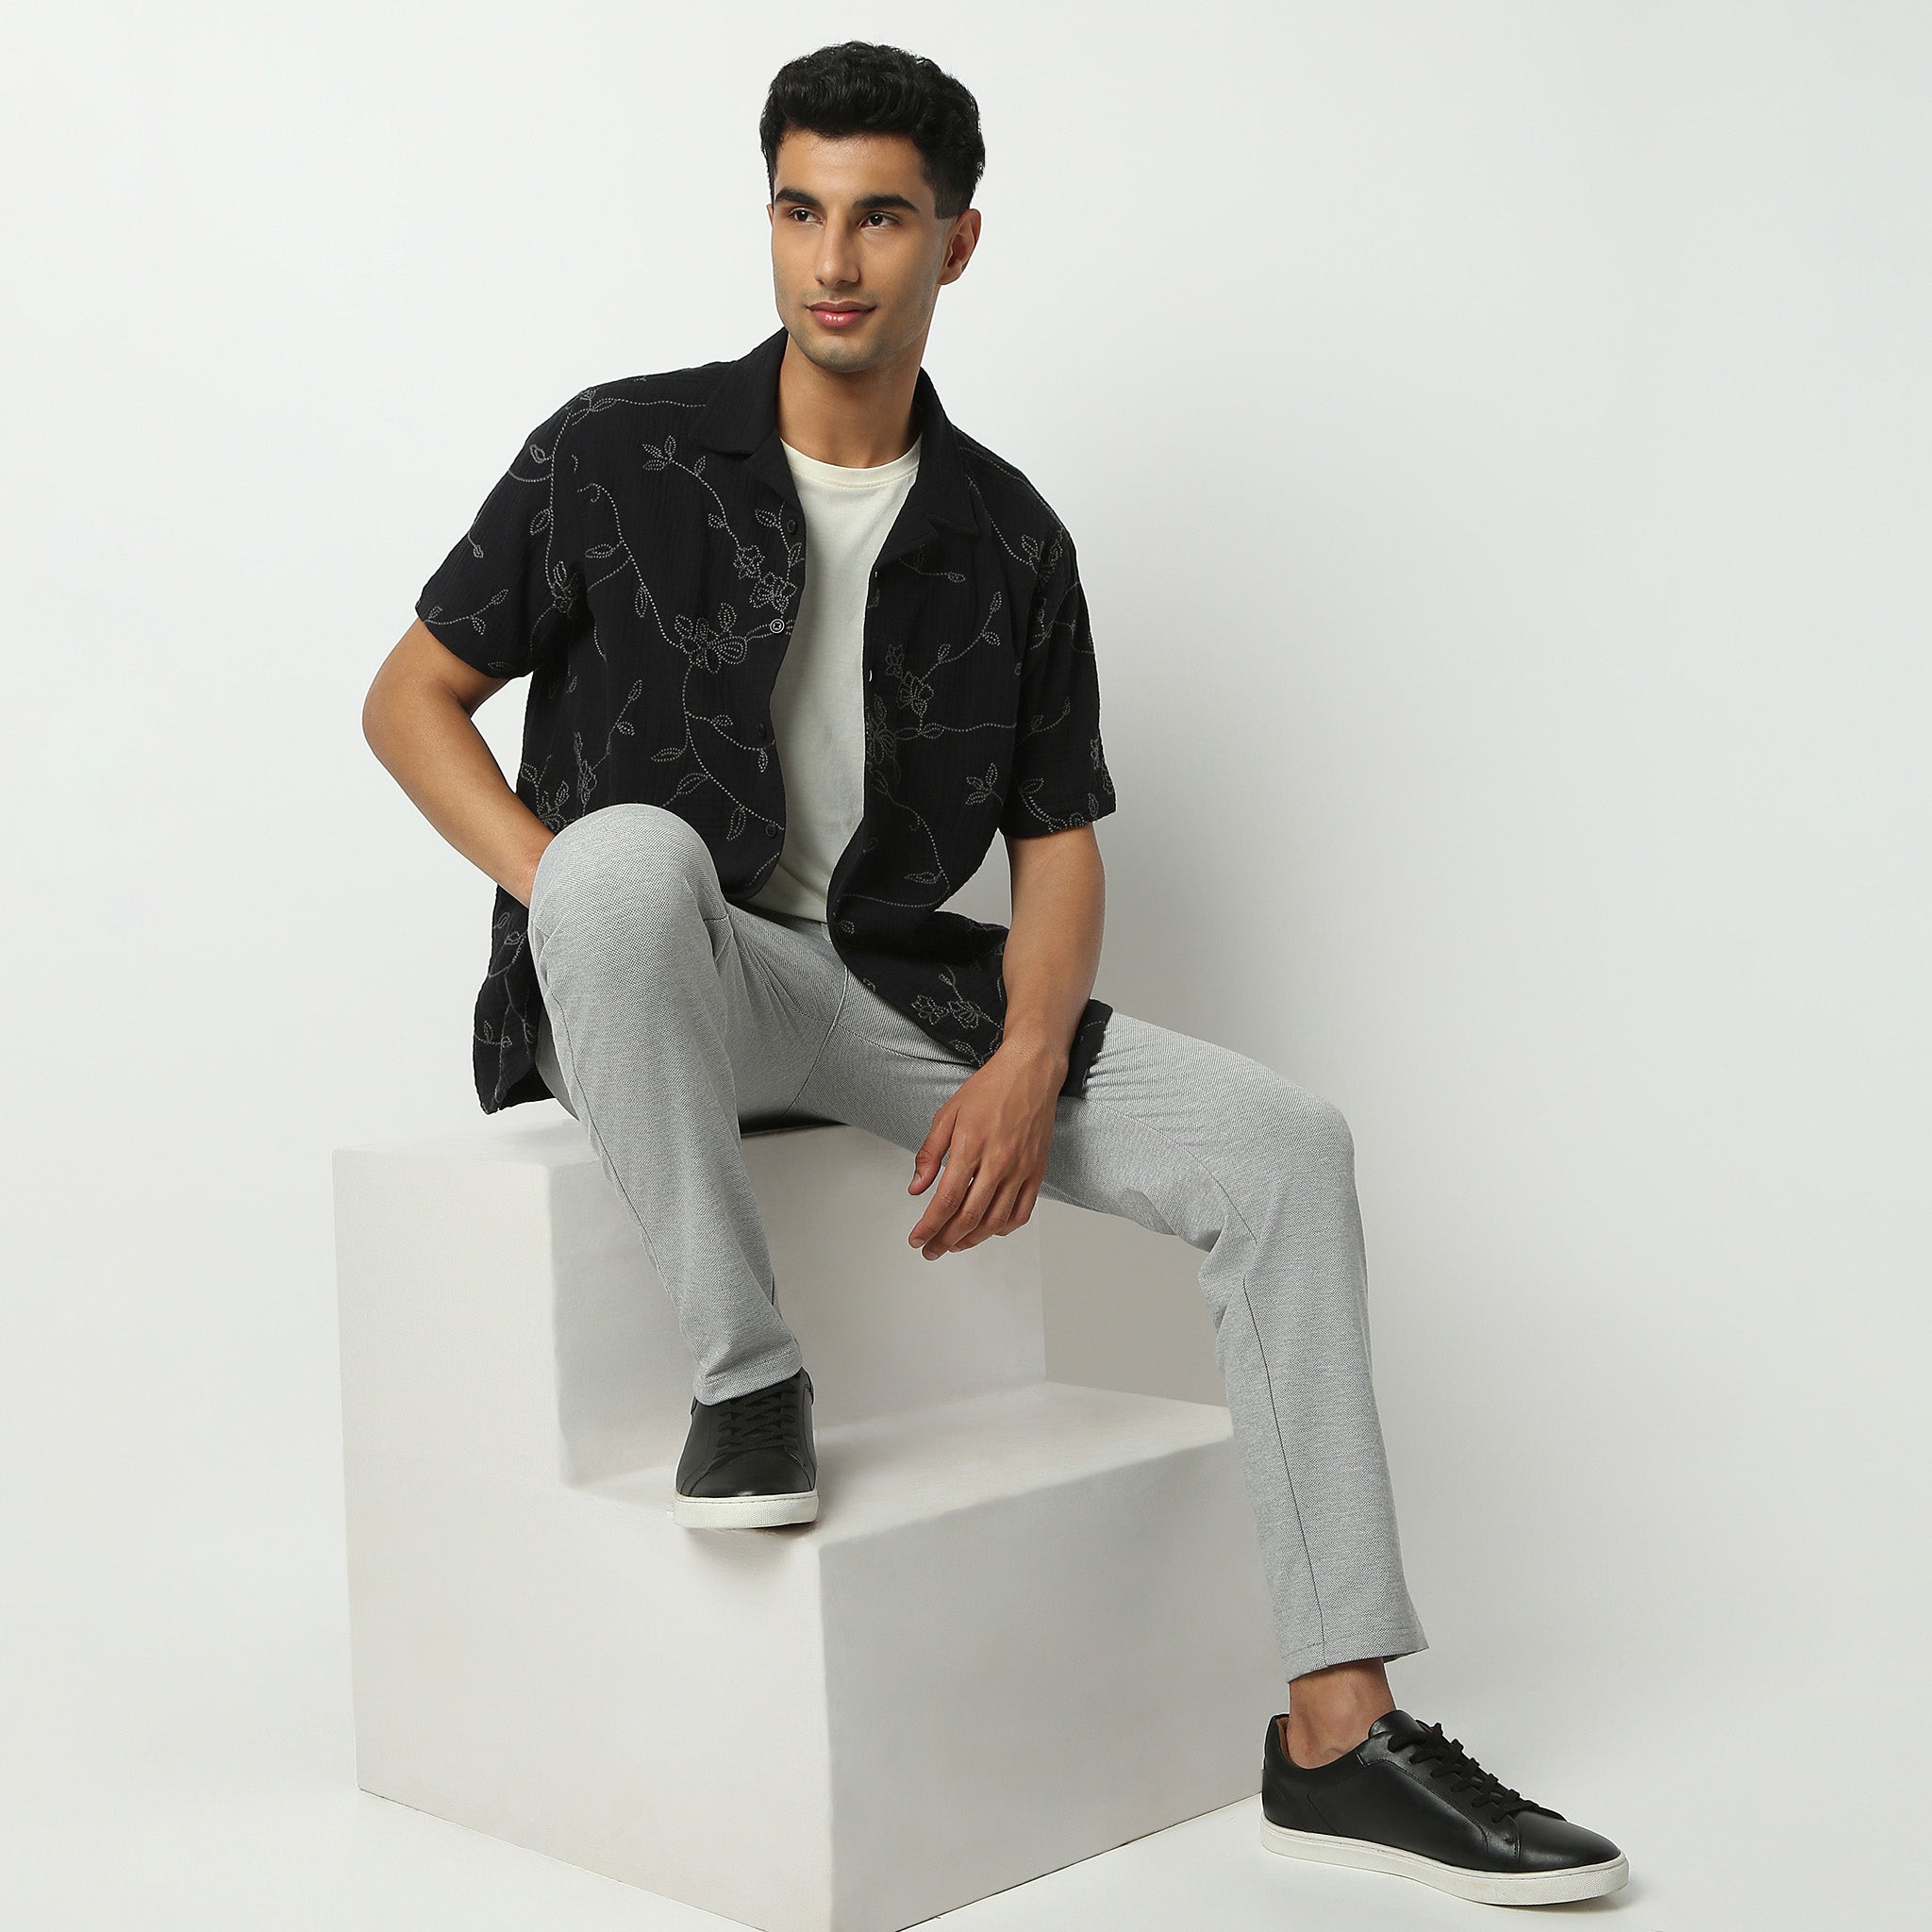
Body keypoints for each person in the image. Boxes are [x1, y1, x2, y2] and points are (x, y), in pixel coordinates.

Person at [360, 38, 1627, 1911]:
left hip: (881, 991)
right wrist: (577, 909)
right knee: (623, 859)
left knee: (1283, 1149)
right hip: (661, 966)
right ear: (766, 220)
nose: (833, 261)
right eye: (799, 211)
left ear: (957, 240)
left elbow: (1056, 840)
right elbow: (411, 698)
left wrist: (1030, 1054)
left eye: (880, 217)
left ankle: (1336, 1733)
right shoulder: (618, 451)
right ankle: (746, 1376)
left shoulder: (1007, 535)